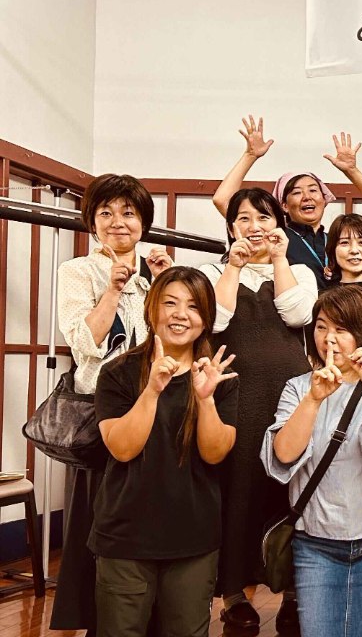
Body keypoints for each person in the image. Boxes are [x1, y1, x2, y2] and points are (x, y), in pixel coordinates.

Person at [52, 173, 172, 631]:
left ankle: (156, 616)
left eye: (128, 212)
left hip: (158, 404)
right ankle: (103, 621)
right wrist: (114, 289)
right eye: (106, 213)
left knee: (154, 512)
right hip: (102, 409)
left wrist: (165, 282)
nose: (118, 222)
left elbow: (179, 335)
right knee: (102, 518)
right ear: (92, 221)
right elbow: (84, 343)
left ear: (144, 222)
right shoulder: (77, 271)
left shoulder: (157, 269)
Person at [92, 266, 238, 636]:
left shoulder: (216, 377)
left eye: (193, 306)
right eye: (170, 303)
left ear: (206, 318)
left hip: (193, 538)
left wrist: (205, 400)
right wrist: (153, 389)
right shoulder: (118, 372)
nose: (180, 314)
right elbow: (122, 448)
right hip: (126, 538)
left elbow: (215, 453)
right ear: (152, 308)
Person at [198, 187, 318, 631]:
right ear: (231, 228)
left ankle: (292, 593)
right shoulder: (213, 271)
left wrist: (280, 259)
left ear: (279, 224)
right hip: (236, 394)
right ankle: (234, 595)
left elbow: (298, 315)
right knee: (239, 489)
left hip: (291, 395)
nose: (255, 227)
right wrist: (234, 266)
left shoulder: (299, 271)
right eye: (244, 219)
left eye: (264, 217)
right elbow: (214, 319)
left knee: (292, 488)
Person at [263, 285, 362, 637]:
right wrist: (314, 399)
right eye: (321, 327)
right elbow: (283, 454)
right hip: (315, 540)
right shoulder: (298, 388)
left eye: (341, 329)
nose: (328, 338)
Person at [213, 115, 362, 284]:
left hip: (335, 306)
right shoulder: (275, 235)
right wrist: (250, 156)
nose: (307, 197)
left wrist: (351, 171)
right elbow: (222, 200)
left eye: (313, 190)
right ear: (284, 205)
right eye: (297, 192)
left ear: (324, 199)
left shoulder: (339, 238)